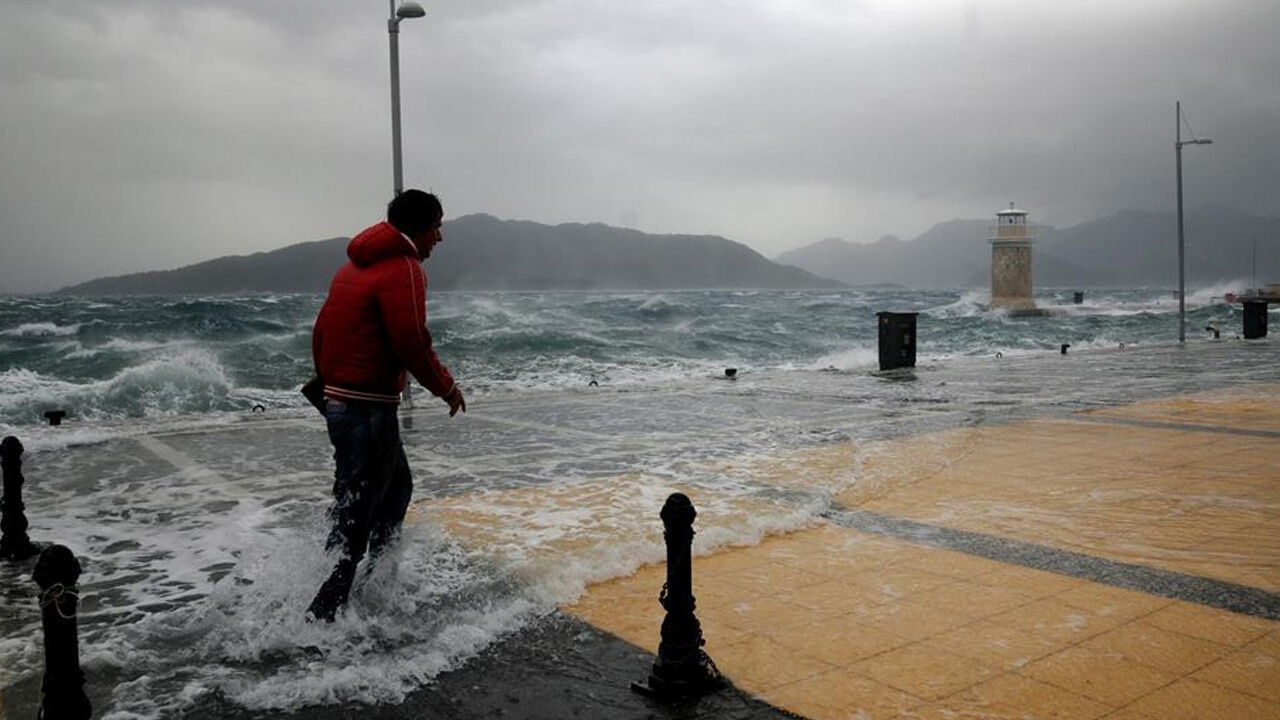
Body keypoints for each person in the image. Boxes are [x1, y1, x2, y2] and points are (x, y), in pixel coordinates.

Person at [306, 189, 466, 622]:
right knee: (360, 508)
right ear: (420, 226)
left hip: (342, 401)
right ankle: (323, 614)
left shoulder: (350, 268)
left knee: (389, 492)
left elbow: (322, 329)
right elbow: (411, 340)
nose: (439, 238)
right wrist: (446, 388)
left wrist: (331, 382)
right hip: (367, 409)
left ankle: (375, 585)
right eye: (437, 227)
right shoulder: (404, 268)